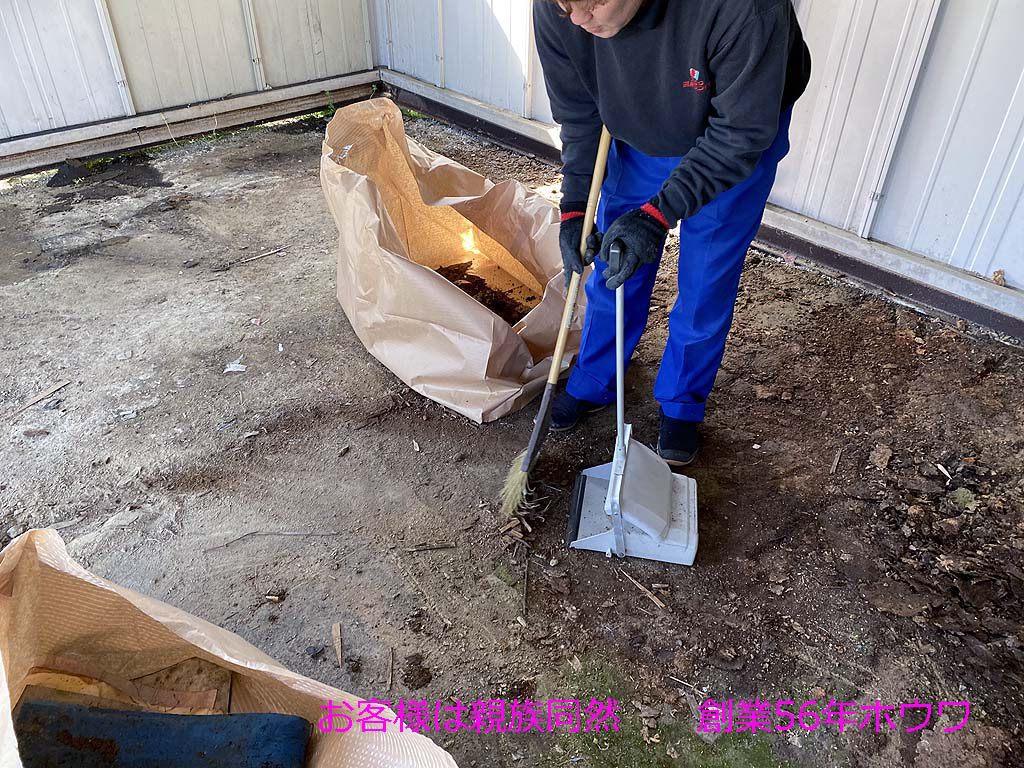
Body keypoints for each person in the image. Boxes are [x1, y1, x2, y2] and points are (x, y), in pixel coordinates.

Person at [534, 0, 811, 466]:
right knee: (615, 257)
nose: (579, 19)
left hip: (730, 135)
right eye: (567, 7)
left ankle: (682, 402)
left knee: (706, 275)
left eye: (594, 2)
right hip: (637, 126)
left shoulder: (746, 9)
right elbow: (581, 116)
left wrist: (658, 215)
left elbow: (739, 135)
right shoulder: (560, 8)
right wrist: (576, 207)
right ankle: (595, 377)